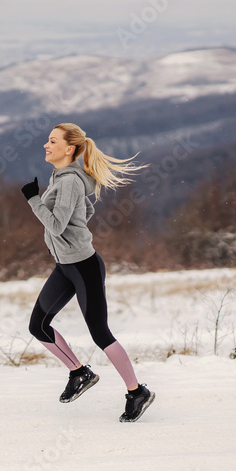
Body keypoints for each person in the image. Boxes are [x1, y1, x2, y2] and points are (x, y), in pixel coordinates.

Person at [20, 122, 155, 422]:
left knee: (100, 333)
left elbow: (56, 224)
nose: (46, 144)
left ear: (69, 149)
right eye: (47, 140)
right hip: (65, 266)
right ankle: (79, 373)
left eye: (52, 141)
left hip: (84, 267)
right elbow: (85, 211)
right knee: (38, 326)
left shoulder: (68, 181)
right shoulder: (61, 176)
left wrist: (33, 200)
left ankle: (137, 392)